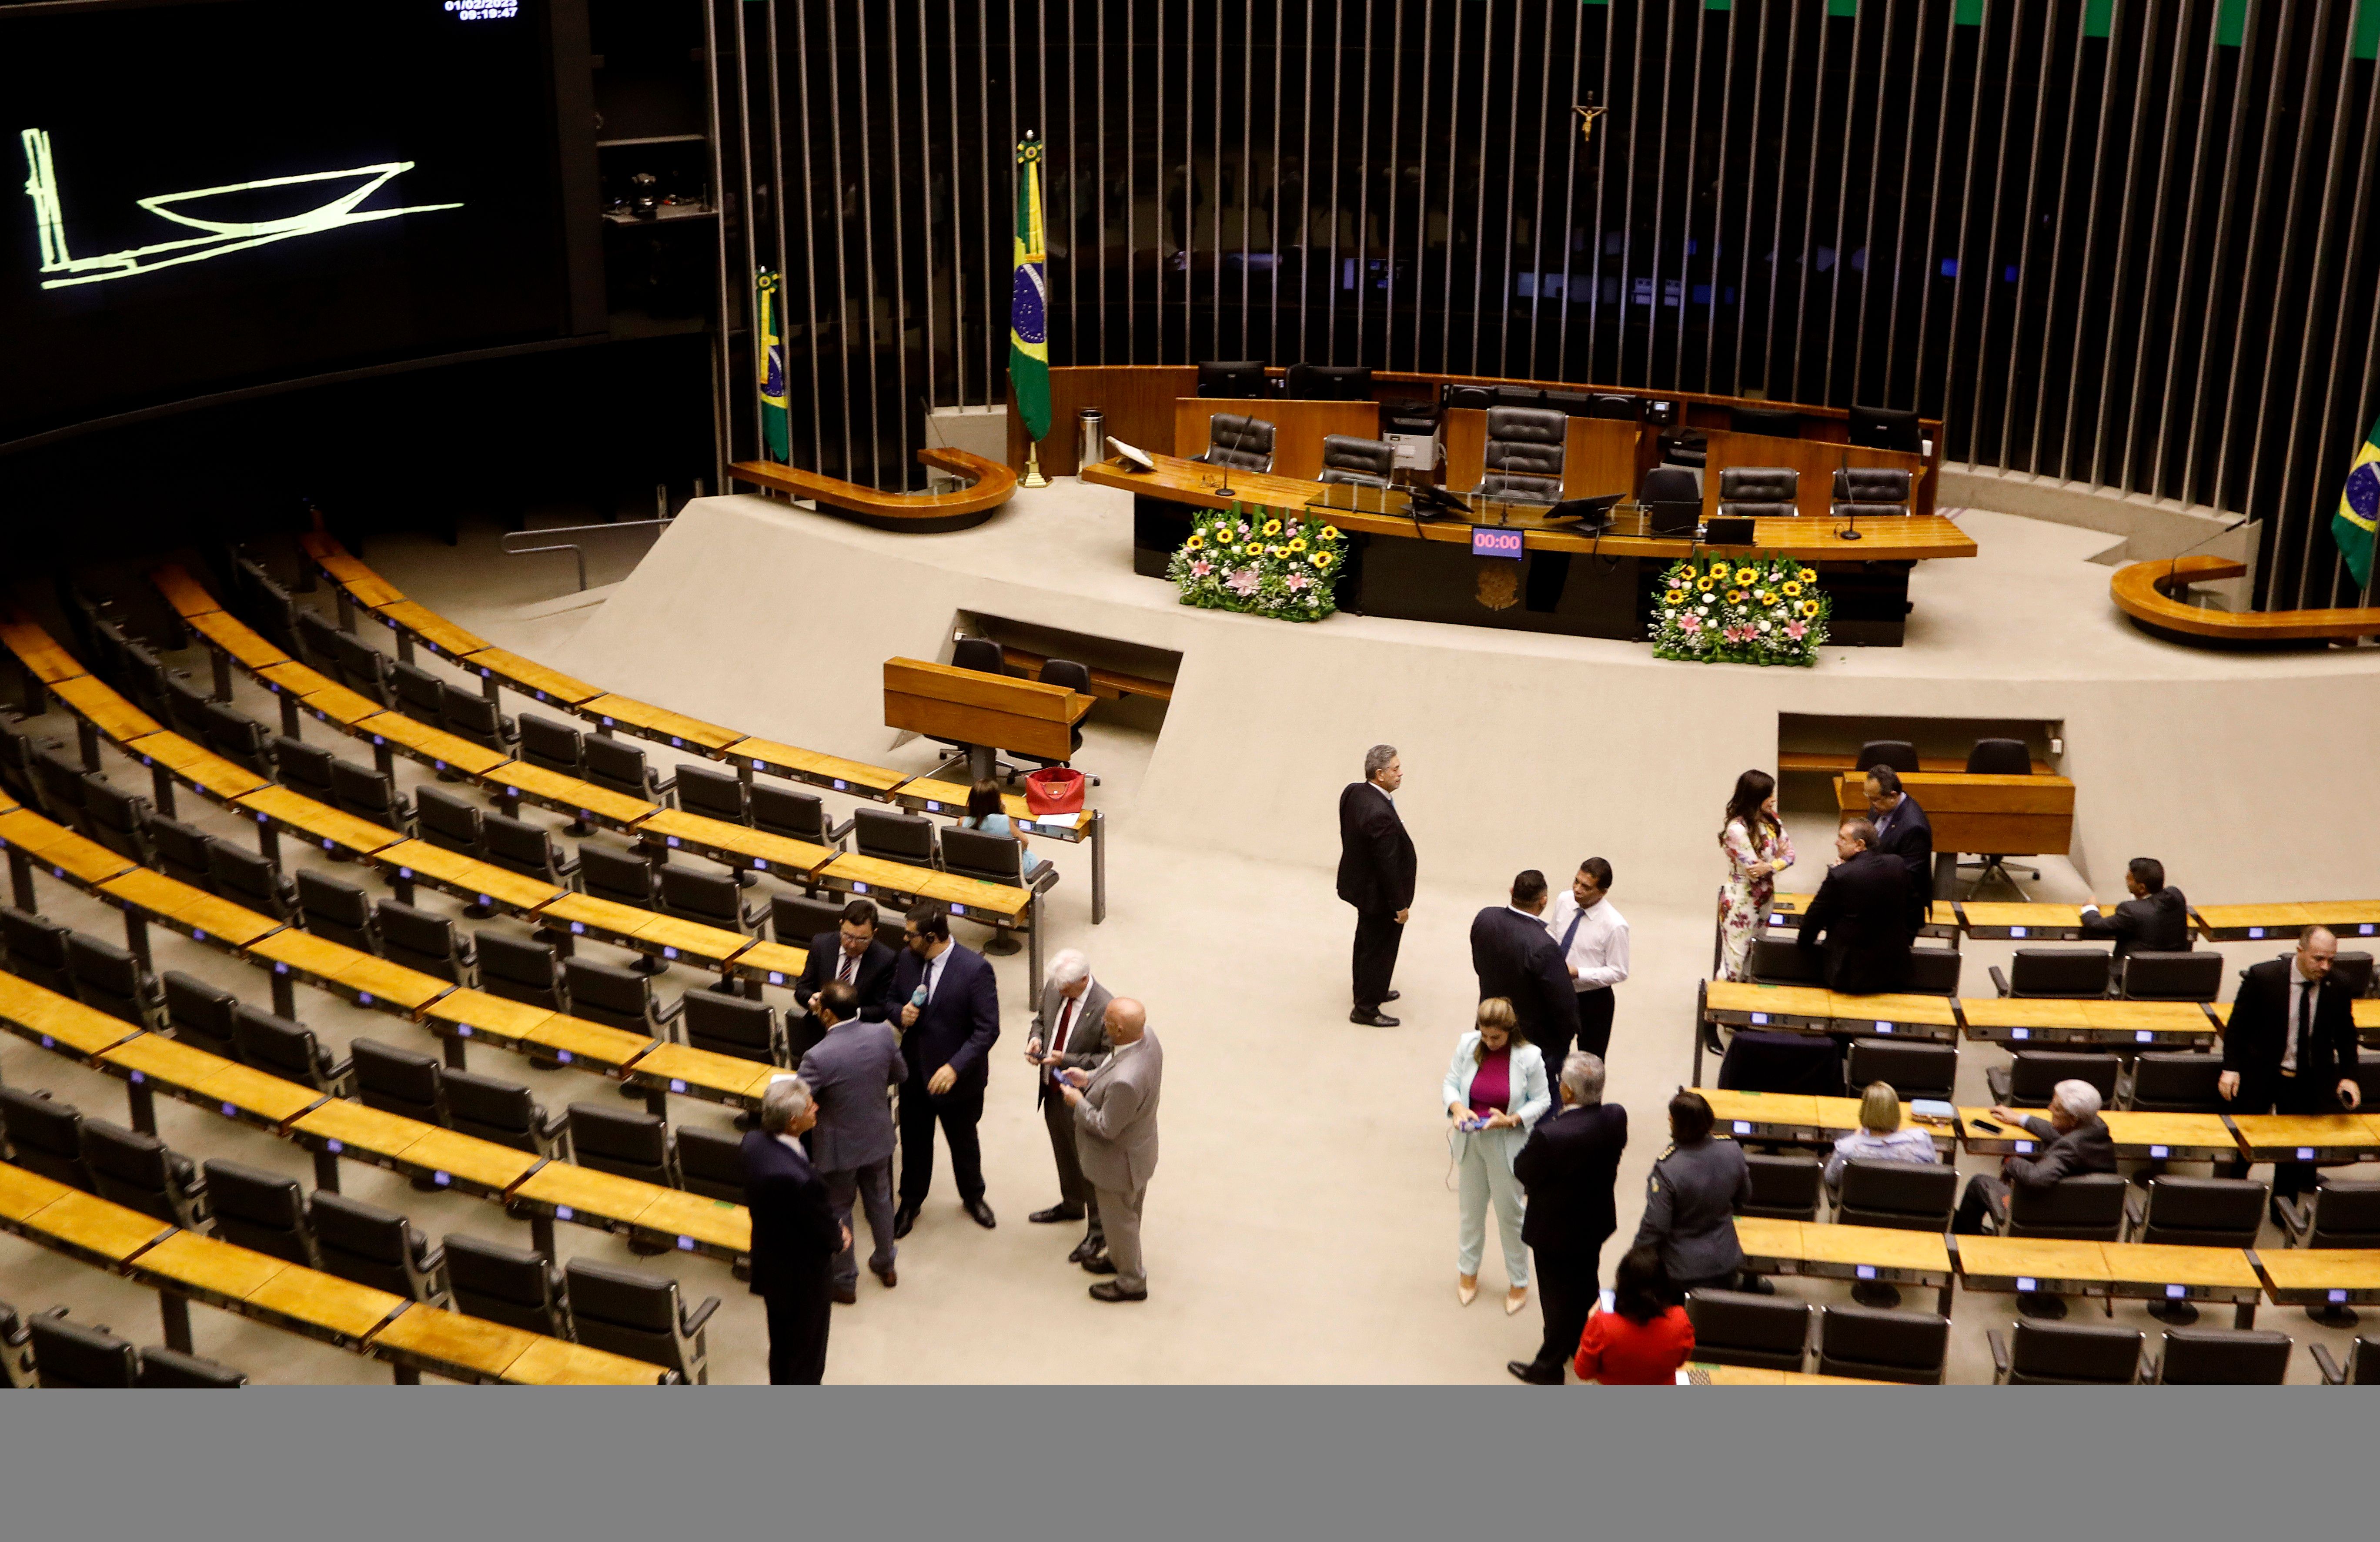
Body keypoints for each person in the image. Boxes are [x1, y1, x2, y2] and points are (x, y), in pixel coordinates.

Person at [2220, 926, 2363, 1222]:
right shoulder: (2263, 977)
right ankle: (2230, 1197)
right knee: (2245, 1141)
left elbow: (2346, 1036)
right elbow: (2237, 1027)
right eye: (2318, 959)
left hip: (2306, 1079)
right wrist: (2231, 1067)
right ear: (2300, 952)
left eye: (2331, 960)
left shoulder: (2338, 984)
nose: (2325, 967)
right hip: (2261, 1073)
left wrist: (2349, 1076)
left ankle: (2281, 1211)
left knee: (2292, 1153)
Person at [1507, 1050, 1627, 1385]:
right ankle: (1585, 1344)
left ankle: (1549, 1366)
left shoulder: (1552, 1136)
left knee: (1557, 1297)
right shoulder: (1616, 1117)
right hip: (1595, 1221)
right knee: (1586, 1282)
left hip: (1555, 1230)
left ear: (1568, 1092)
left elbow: (1523, 1169)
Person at [1952, 1079, 2117, 1317]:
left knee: (1980, 1183)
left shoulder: (2069, 1148)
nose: (2049, 1108)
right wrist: (2021, 1120)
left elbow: (2037, 1179)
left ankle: (1970, 1246)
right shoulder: (2097, 1129)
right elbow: (2062, 1136)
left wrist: (2012, 1162)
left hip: (2046, 1221)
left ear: (2073, 1119)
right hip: (2086, 1223)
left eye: (2056, 1107)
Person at [887, 902, 1000, 1236]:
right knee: (914, 1141)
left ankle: (973, 1195)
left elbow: (987, 1029)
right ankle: (910, 1201)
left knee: (964, 1141)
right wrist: (899, 1013)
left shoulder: (974, 969)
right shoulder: (908, 959)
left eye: (911, 935)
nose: (906, 940)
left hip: (958, 1081)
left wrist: (954, 1067)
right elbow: (891, 998)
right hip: (914, 1073)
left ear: (932, 936)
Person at [795, 979, 906, 1302]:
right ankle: (886, 1264)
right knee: (881, 1200)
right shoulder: (883, 1035)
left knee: (840, 1209)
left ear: (827, 1014)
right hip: (877, 1136)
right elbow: (901, 1074)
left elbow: (801, 1101)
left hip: (838, 1146)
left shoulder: (817, 1056)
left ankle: (845, 1281)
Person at [1441, 998, 1550, 1315]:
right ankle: (1468, 1271)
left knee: (1511, 1215)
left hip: (1506, 1144)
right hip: (1471, 1140)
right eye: (1485, 1036)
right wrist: (1457, 1107)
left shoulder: (1529, 1057)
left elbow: (1543, 1100)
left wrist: (1513, 1119)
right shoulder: (1468, 1044)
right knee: (1470, 1211)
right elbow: (1450, 1083)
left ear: (1510, 1031)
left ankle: (1519, 1281)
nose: (1490, 1043)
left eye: (1496, 1038)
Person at [740, 1077, 847, 1383]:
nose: (817, 1107)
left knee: (782, 1347)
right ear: (793, 1121)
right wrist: (839, 1236)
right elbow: (824, 1228)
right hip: (804, 1280)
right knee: (808, 1357)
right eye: (811, 1105)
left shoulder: (752, 1143)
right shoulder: (801, 1181)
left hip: (771, 1264)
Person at [1057, 997, 1163, 1302]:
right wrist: (1090, 1077)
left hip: (1118, 1164)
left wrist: (1079, 1102)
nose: (1102, 1022)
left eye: (1106, 1020)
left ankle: (1131, 1281)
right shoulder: (1148, 1040)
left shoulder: (1126, 1082)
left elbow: (1105, 1125)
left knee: (1121, 1223)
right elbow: (1115, 1066)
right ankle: (1119, 1259)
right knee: (1127, 1217)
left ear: (1118, 1029)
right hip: (1140, 1151)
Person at [1025, 948, 1111, 1264]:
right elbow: (1042, 1021)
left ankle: (1098, 1230)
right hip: (1051, 1090)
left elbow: (1109, 1060)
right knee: (1063, 1151)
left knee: (1089, 1165)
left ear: (1084, 979)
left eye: (1066, 988)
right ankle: (1072, 1204)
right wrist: (1036, 1039)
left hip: (1081, 1099)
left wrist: (1068, 1060)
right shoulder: (1056, 985)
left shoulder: (1105, 1007)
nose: (1060, 991)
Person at [1632, 1091, 1762, 1296]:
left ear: (1677, 1124)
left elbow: (1656, 1226)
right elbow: (1744, 1197)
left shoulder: (1668, 1169)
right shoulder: (1732, 1150)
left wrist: (1634, 1260)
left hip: (1681, 1273)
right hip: (1726, 1261)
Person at [1822, 1081, 1939, 1307]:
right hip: (1910, 1221)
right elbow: (1931, 1175)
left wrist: (1857, 1139)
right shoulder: (1922, 1141)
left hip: (1860, 1220)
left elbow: (1831, 1179)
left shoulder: (1848, 1149)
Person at [1470, 871, 1582, 1096]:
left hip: (1491, 1024)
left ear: (1512, 892)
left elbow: (1479, 966)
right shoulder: (1543, 945)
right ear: (1543, 901)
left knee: (1496, 1087)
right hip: (1534, 1041)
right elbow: (1563, 1002)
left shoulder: (1485, 919)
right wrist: (1565, 1037)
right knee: (1540, 1097)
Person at [1338, 744, 1415, 1026]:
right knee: (1379, 949)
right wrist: (1400, 905)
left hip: (1362, 888)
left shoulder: (1353, 792)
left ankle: (1370, 989)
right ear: (1380, 774)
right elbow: (1388, 866)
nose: (1401, 773)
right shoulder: (1380, 814)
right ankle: (1366, 1008)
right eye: (1396, 769)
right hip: (1381, 897)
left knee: (1366, 942)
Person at [1794, 817, 1913, 995]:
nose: (1837, 843)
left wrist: (1803, 945)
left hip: (1851, 974)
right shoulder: (1897, 864)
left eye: (1842, 839)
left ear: (1859, 845)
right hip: (1893, 969)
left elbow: (1815, 917)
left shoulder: (1841, 875)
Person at [1571, 1244, 1695, 1386]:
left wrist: (1590, 1323)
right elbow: (1680, 1362)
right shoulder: (1680, 1319)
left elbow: (1583, 1372)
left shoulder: (1602, 1324)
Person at [791, 899, 899, 1060]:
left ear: (874, 933)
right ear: (841, 924)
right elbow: (802, 990)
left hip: (859, 1041)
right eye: (848, 936)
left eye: (862, 939)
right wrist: (812, 1000)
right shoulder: (821, 945)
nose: (853, 945)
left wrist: (846, 1012)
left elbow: (881, 1010)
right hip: (817, 1035)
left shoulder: (886, 960)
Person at [1543, 857, 1629, 1061]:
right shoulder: (1565, 900)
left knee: (1589, 1064)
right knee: (1549, 1054)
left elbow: (1619, 971)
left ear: (1603, 892)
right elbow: (1555, 933)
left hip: (1593, 1002)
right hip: (1557, 991)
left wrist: (1579, 973)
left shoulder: (1615, 926)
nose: (1577, 890)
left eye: (1586, 887)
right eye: (1576, 882)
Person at [1716, 769, 1795, 983]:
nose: (1774, 800)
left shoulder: (1772, 821)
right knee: (1735, 967)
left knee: (1755, 961)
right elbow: (1754, 870)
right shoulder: (1736, 829)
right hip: (1741, 900)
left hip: (1766, 898)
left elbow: (1790, 855)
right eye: (1770, 795)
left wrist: (1770, 866)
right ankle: (1721, 1009)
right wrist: (1775, 865)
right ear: (1756, 798)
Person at [1863, 765, 1934, 930]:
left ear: (1893, 796)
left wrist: (1860, 872)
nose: (1871, 804)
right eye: (1868, 797)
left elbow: (1906, 877)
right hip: (1876, 897)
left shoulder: (1914, 828)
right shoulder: (1880, 806)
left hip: (1899, 913)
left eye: (1874, 799)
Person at [2078, 857, 2191, 957]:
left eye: (2129, 879)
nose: (2126, 878)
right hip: (2172, 975)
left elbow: (2095, 926)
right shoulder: (2176, 896)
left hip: (2131, 977)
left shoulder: (2130, 911)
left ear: (2142, 888)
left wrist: (2090, 907)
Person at [961, 778, 1048, 880]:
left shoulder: (963, 822)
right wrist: (1003, 812)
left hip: (977, 870)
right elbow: (1024, 844)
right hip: (1008, 873)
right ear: (996, 801)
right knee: (1030, 858)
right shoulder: (1005, 821)